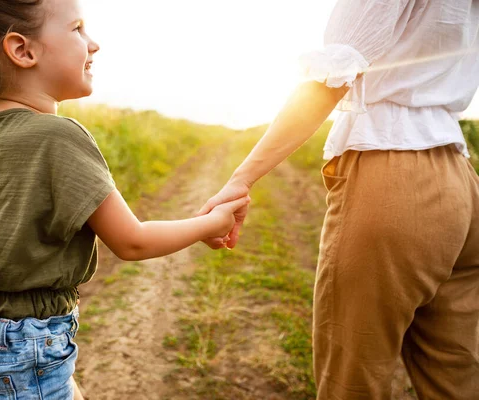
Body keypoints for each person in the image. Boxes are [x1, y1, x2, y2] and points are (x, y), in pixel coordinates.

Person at [0, 0, 250, 398]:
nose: (94, 44)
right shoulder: (61, 137)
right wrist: (213, 223)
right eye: (77, 29)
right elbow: (132, 241)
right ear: (23, 51)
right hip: (27, 347)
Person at [198, 0, 479, 398]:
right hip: (461, 180)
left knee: (354, 376)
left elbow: (328, 81)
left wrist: (241, 178)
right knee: (456, 374)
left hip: (393, 170)